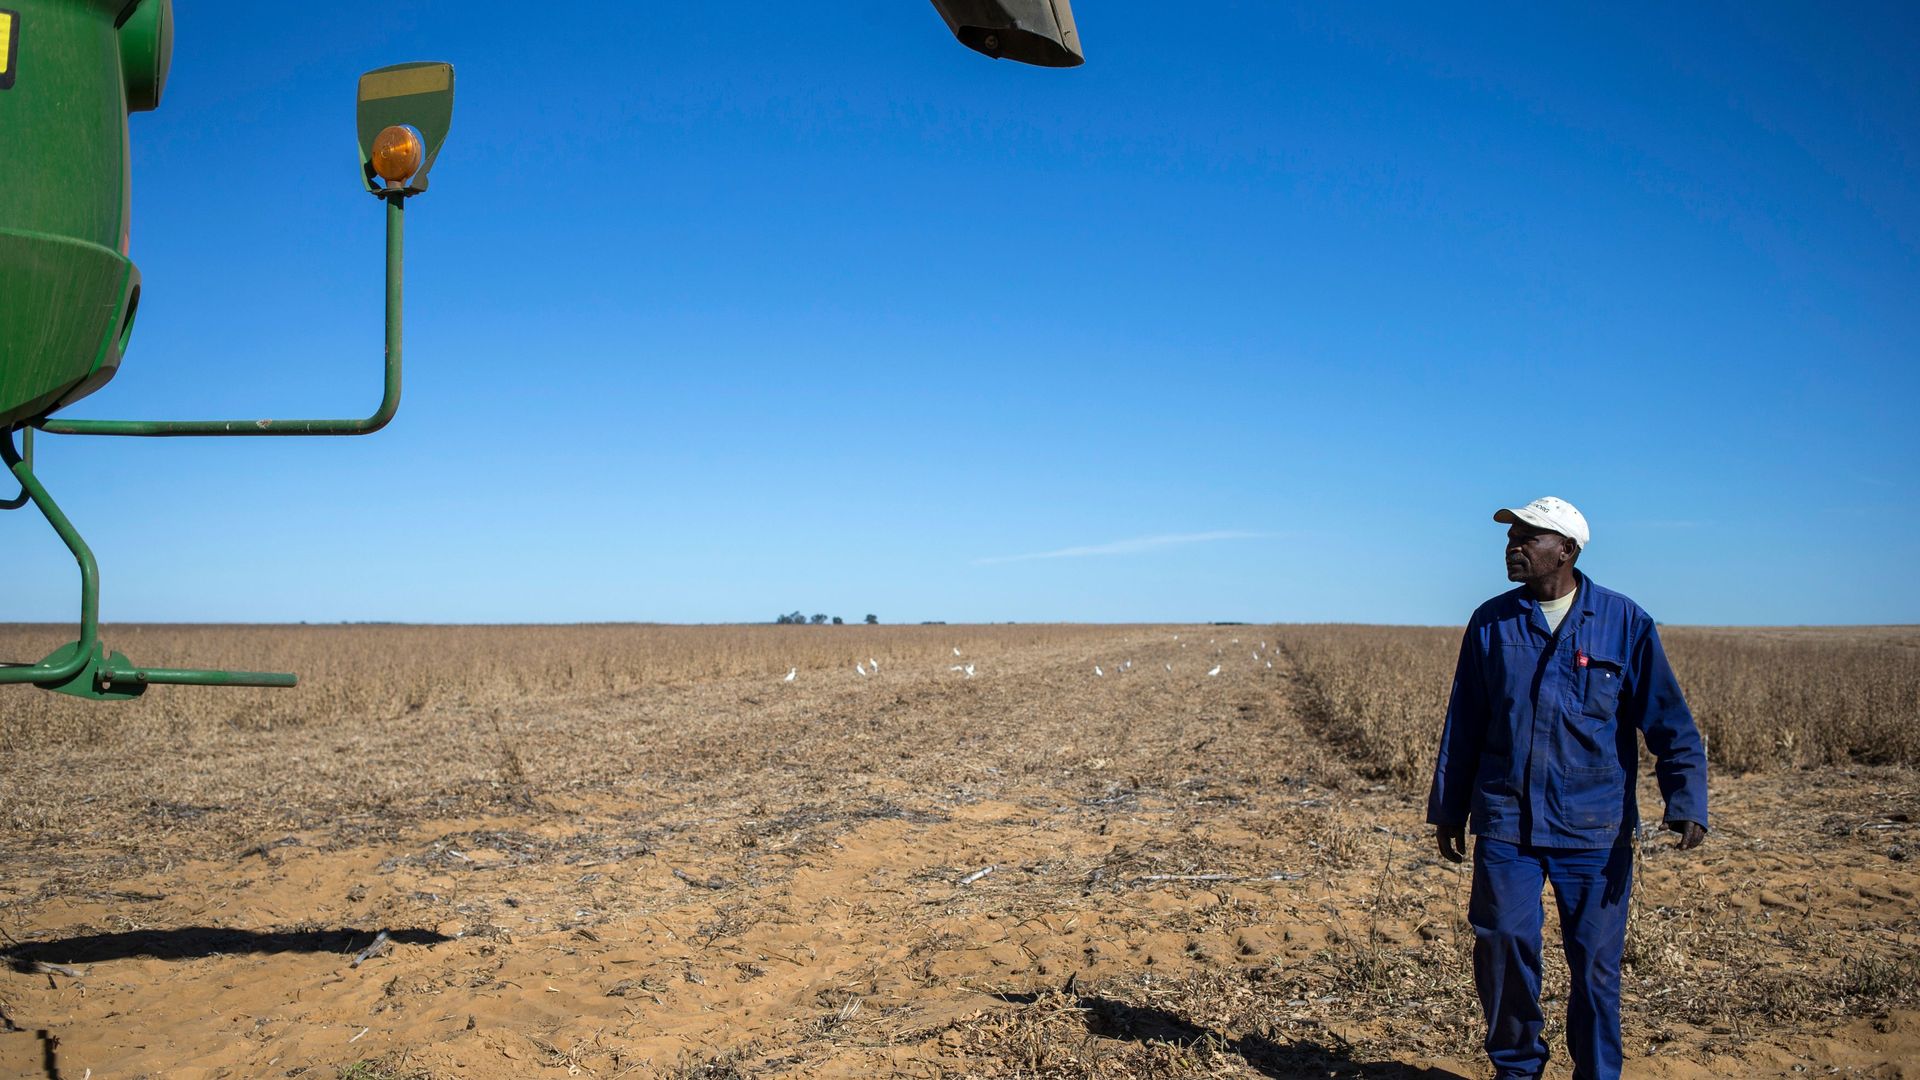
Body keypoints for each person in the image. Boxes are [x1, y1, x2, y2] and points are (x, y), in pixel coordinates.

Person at [1427, 496, 1708, 1080]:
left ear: (1568, 550)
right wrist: (1450, 809)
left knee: (1597, 968)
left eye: (1529, 538)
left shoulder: (1624, 622)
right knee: (1502, 944)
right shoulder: (1491, 622)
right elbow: (1466, 721)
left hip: (1594, 827)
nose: (1514, 547)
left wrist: (1685, 797)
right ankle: (1517, 1069)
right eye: (1512, 538)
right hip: (1507, 819)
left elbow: (1668, 719)